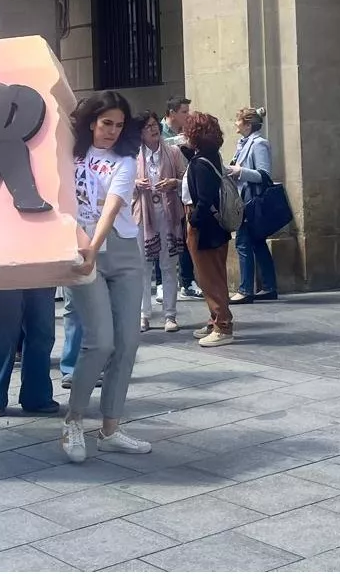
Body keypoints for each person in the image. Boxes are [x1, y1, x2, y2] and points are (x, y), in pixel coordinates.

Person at [62, 91, 150, 463]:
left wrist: (95, 247)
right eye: (106, 123)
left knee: (127, 344)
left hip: (122, 252)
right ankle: (73, 422)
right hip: (80, 251)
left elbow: (114, 206)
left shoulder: (127, 159)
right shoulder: (68, 153)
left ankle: (111, 428)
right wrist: (87, 250)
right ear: (91, 122)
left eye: (118, 124)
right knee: (99, 343)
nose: (112, 131)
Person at [183, 112, 236, 347]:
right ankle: (215, 319)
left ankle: (222, 326)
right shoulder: (212, 156)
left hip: (205, 229)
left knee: (210, 279)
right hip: (217, 227)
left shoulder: (200, 164)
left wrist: (193, 222)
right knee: (215, 276)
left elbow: (204, 199)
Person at [133, 110, 186, 332]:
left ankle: (170, 315)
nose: (153, 129)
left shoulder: (173, 152)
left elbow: (186, 178)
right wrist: (136, 183)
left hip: (168, 213)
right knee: (143, 267)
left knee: (168, 265)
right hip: (142, 216)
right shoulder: (133, 156)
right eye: (147, 127)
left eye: (155, 125)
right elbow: (121, 184)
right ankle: (143, 315)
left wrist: (174, 182)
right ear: (140, 133)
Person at [0, 288, 59, 416]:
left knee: (42, 331)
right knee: (3, 330)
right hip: (4, 272)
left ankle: (36, 397)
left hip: (43, 271)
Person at [227, 107, 278, 303]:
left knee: (243, 242)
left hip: (251, 201)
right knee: (256, 243)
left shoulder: (258, 144)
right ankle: (268, 287)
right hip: (245, 199)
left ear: (248, 124)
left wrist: (240, 171)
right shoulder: (245, 144)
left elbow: (264, 175)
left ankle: (246, 289)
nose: (235, 124)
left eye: (238, 120)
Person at [161, 96, 203, 301]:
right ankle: (162, 283)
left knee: (186, 237)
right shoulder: (158, 132)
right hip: (162, 194)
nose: (188, 115)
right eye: (184, 112)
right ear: (172, 113)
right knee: (163, 237)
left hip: (183, 190)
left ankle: (187, 281)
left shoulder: (187, 133)